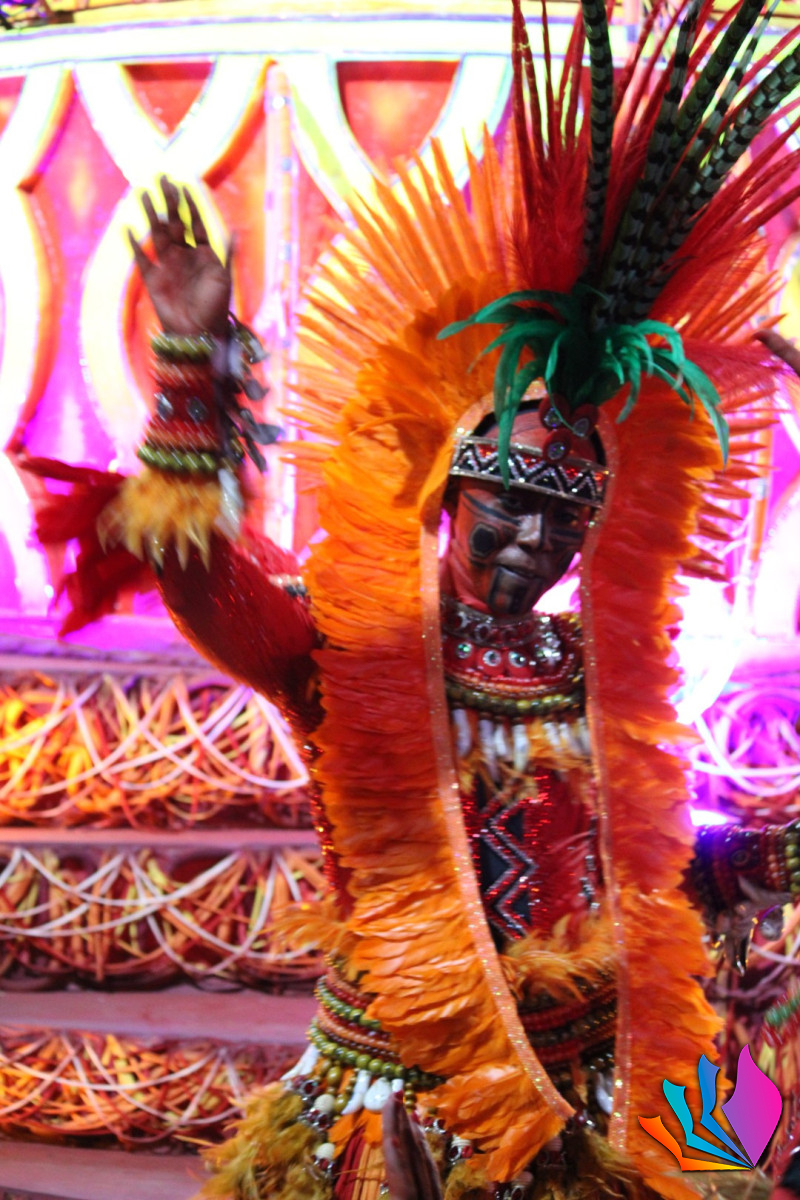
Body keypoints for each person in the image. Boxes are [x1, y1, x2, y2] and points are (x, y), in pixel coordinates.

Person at [26, 2, 800, 1198]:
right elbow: (193, 575)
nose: (529, 542)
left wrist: (755, 862)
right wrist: (188, 368)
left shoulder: (592, 672)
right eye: (505, 506)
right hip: (399, 1101)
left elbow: (627, 866)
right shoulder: (351, 651)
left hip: (599, 1083)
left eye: (561, 520)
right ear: (444, 496)